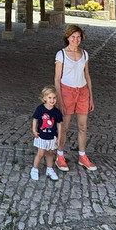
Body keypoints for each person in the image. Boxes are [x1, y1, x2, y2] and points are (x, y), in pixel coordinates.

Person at [54, 24, 97, 171]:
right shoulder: (61, 54)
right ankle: (60, 155)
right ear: (68, 37)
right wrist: (59, 99)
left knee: (83, 126)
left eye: (78, 37)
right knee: (64, 127)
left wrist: (91, 96)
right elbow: (57, 79)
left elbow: (87, 76)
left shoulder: (84, 54)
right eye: (73, 37)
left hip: (83, 91)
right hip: (67, 92)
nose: (76, 39)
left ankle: (82, 156)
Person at [30, 86, 63, 181]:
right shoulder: (40, 109)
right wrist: (34, 130)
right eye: (50, 98)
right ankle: (35, 169)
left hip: (52, 136)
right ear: (44, 98)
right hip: (42, 136)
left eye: (54, 98)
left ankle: (49, 168)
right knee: (40, 153)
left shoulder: (56, 112)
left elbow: (59, 124)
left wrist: (59, 137)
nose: (52, 100)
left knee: (50, 153)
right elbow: (35, 119)